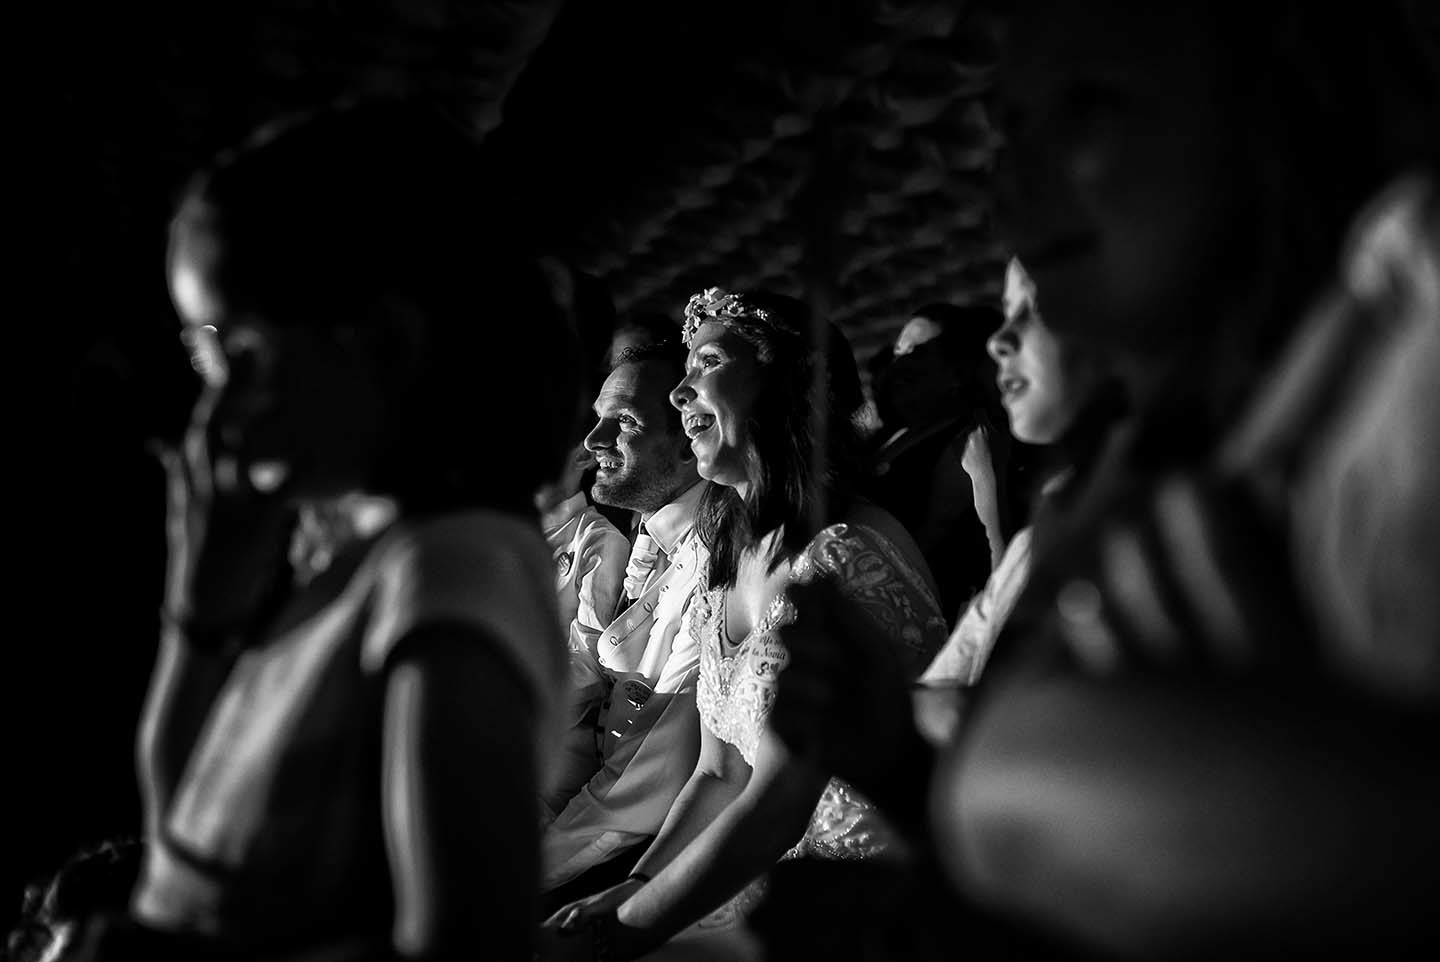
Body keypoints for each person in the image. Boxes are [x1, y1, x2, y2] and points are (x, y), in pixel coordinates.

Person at [927, 1, 1440, 957]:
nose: (1013, 176)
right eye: (1011, 126)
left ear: (1272, 100)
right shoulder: (1157, 450)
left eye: (1091, 104)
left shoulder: (1399, 373)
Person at [80, 102, 583, 962]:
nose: (215, 404)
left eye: (238, 354)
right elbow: (184, 850)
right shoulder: (364, 564)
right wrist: (201, 609)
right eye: (204, 357)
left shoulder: (453, 567)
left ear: (385, 341)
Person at [540, 288, 948, 961]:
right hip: (758, 868)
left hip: (860, 897)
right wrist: (635, 888)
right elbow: (719, 772)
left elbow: (778, 802)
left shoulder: (842, 552)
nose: (680, 394)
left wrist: (625, 928)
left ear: (783, 387)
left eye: (706, 364)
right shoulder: (730, 554)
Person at [540, 337, 710, 915]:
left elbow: (641, 784)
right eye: (597, 419)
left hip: (639, 850)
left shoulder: (713, 555)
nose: (594, 442)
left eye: (626, 422)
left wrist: (522, 872)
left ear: (690, 436)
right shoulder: (651, 531)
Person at [867, 302, 1013, 623]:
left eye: (918, 352)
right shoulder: (891, 431)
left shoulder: (966, 440)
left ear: (954, 367)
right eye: (898, 351)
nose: (901, 365)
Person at [537, 439, 630, 817]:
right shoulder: (500, 534)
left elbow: (590, 668)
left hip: (553, 748)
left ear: (583, 455)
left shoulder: (598, 540)